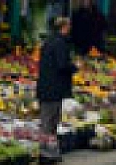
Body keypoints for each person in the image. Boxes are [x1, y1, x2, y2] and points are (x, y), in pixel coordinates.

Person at [36, 17, 77, 153]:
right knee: (50, 120)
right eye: (69, 25)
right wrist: (74, 67)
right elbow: (62, 64)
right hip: (53, 87)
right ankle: (45, 150)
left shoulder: (49, 41)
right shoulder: (59, 43)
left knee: (48, 119)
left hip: (47, 86)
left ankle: (48, 148)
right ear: (64, 27)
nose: (70, 27)